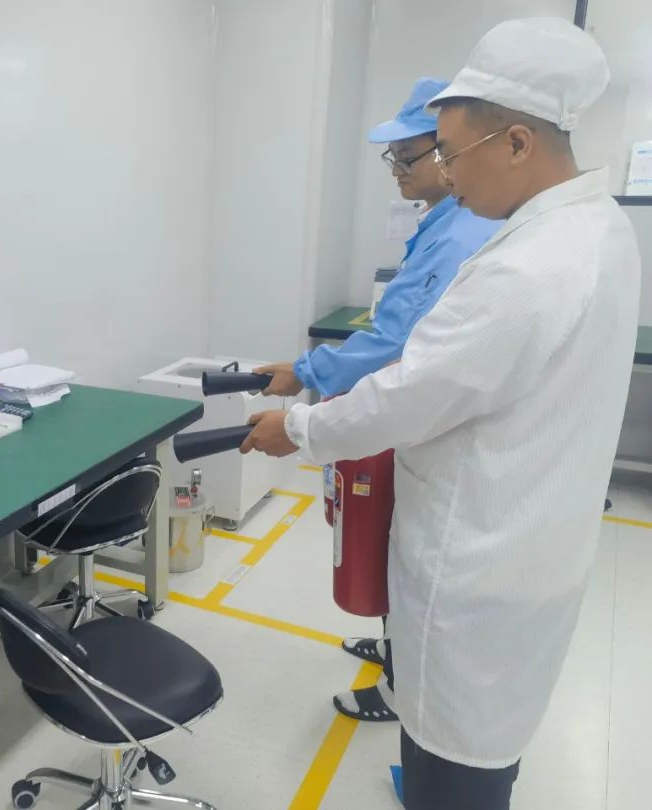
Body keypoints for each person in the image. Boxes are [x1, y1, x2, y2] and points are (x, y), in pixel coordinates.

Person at [241, 17, 638, 810]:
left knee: (455, 757)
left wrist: (301, 426)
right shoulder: (598, 228)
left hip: (479, 561)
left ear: (517, 143)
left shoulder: (527, 266)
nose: (448, 175)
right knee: (488, 736)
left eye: (451, 153)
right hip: (532, 543)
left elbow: (413, 388)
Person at [258, 78, 499, 725]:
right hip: (423, 437)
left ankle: (399, 686)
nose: (397, 169)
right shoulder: (445, 222)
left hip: (436, 443)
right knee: (396, 551)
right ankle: (395, 650)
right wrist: (305, 374)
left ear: (451, 153)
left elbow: (395, 341)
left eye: (408, 155)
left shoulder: (460, 235)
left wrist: (304, 385)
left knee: (413, 565)